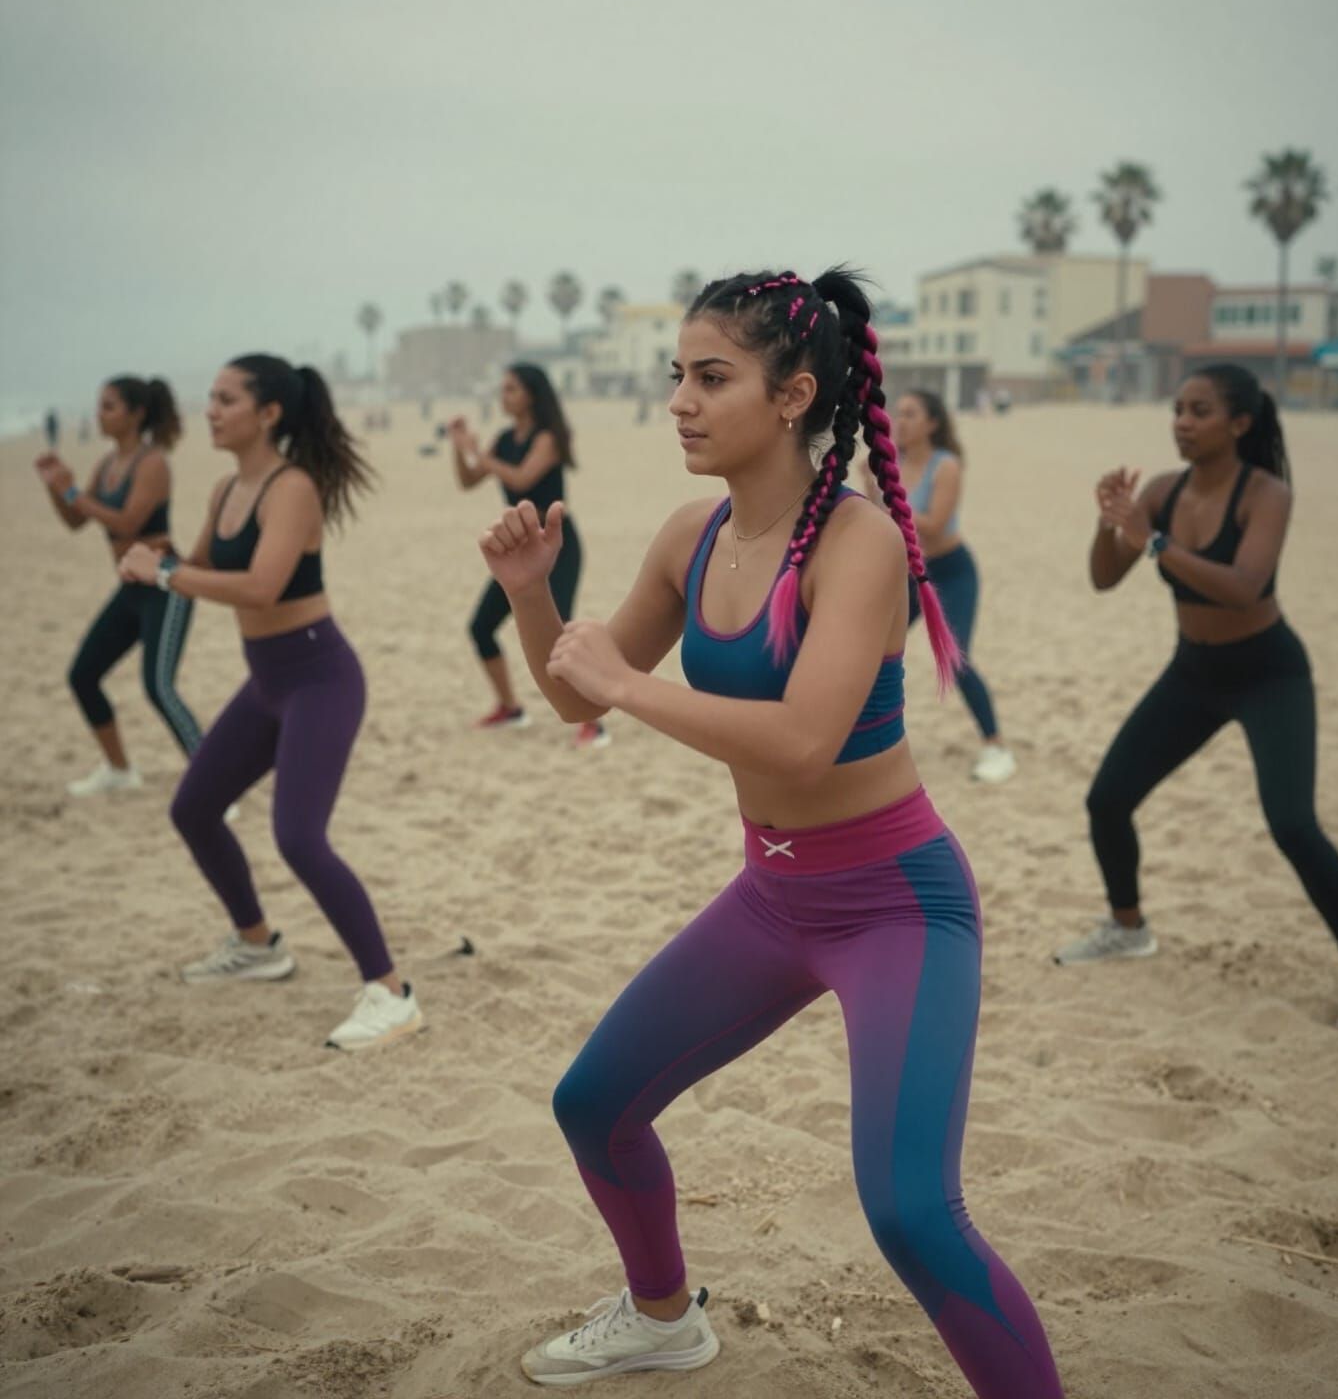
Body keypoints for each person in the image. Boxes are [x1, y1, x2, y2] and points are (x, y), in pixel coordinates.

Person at [481, 268, 1064, 1394]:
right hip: (773, 897)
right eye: (677, 376)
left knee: (911, 1211)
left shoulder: (860, 542)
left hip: (896, 904)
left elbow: (802, 743)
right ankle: (662, 1318)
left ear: (793, 396)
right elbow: (573, 696)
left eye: (712, 378)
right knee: (594, 1105)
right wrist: (530, 594)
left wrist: (627, 685)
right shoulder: (689, 536)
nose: (680, 402)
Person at [1055, 364, 1338, 1035]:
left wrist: (1152, 540)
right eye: (1178, 409)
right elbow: (1103, 578)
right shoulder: (1163, 490)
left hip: (1269, 673)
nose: (1182, 422)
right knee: (1108, 800)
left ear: (1239, 423)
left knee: (1292, 825)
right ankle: (1129, 927)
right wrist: (1109, 523)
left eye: (1200, 411)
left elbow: (1244, 587)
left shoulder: (1266, 494)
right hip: (1194, 672)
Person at [118, 354, 421, 1052]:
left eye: (226, 399)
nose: (211, 410)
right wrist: (148, 556)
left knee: (299, 837)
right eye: (210, 397)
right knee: (194, 808)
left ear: (270, 413)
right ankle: (257, 943)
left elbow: (260, 586)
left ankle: (392, 992)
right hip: (267, 681)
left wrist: (164, 573)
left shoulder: (292, 488)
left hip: (320, 676)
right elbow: (197, 568)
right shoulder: (227, 488)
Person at [35, 376, 202, 795]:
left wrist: (73, 491)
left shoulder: (153, 463)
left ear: (136, 414)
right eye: (100, 406)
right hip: (130, 589)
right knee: (83, 675)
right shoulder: (108, 464)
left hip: (166, 584)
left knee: (159, 689)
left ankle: (214, 782)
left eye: (109, 407)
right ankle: (119, 770)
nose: (100, 415)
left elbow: (127, 522)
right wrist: (57, 488)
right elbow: (76, 521)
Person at [449, 363, 607, 748]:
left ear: (531, 395)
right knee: (481, 627)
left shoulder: (548, 438)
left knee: (560, 635)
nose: (503, 396)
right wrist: (459, 447)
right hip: (519, 549)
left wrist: (479, 454)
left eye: (511, 389)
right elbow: (469, 481)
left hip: (557, 544)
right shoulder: (504, 439)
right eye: (503, 389)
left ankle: (592, 721)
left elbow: (522, 478)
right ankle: (509, 707)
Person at [872, 390, 1015, 781]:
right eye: (898, 413)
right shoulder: (890, 463)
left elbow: (934, 526)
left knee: (956, 658)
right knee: (870, 653)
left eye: (911, 414)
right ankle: (864, 740)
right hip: (908, 575)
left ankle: (996, 747)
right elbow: (877, 520)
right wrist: (871, 482)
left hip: (950, 572)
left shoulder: (945, 466)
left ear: (932, 423)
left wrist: (888, 497)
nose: (900, 421)